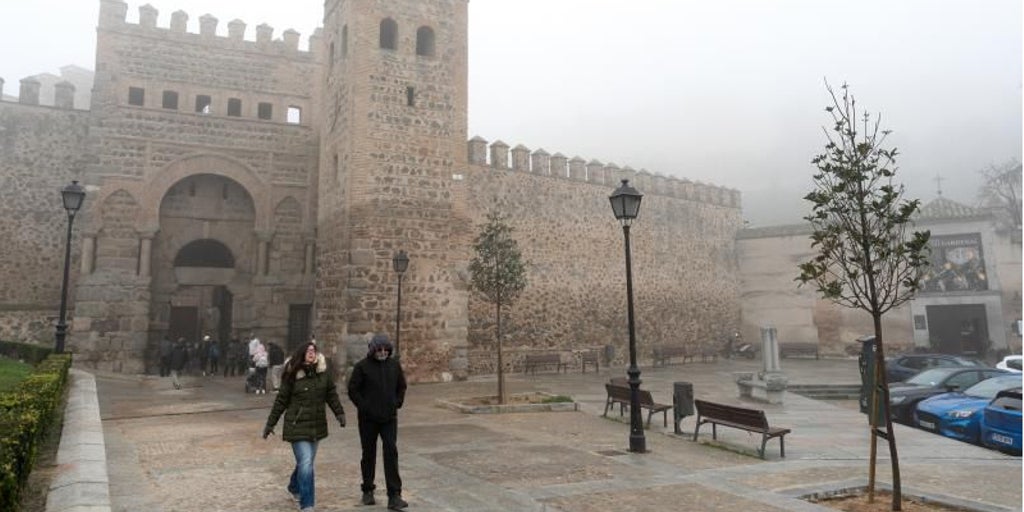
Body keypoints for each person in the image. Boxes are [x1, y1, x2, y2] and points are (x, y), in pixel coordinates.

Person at [263, 342, 346, 512]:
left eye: (313, 350)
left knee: (305, 463)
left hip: (316, 426)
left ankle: (294, 487)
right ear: (301, 354)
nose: (311, 353)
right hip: (297, 426)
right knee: (307, 463)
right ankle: (307, 505)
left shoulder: (322, 374)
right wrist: (270, 424)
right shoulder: (292, 374)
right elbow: (281, 401)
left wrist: (339, 413)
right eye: (308, 350)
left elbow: (331, 394)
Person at [348, 333, 408, 510]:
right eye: (379, 349)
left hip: (389, 418)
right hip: (368, 420)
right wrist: (364, 406)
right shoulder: (362, 367)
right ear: (373, 350)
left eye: (385, 349)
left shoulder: (394, 365)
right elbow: (353, 390)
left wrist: (397, 403)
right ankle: (368, 490)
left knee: (391, 452)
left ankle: (394, 495)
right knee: (368, 454)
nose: (382, 352)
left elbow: (401, 386)